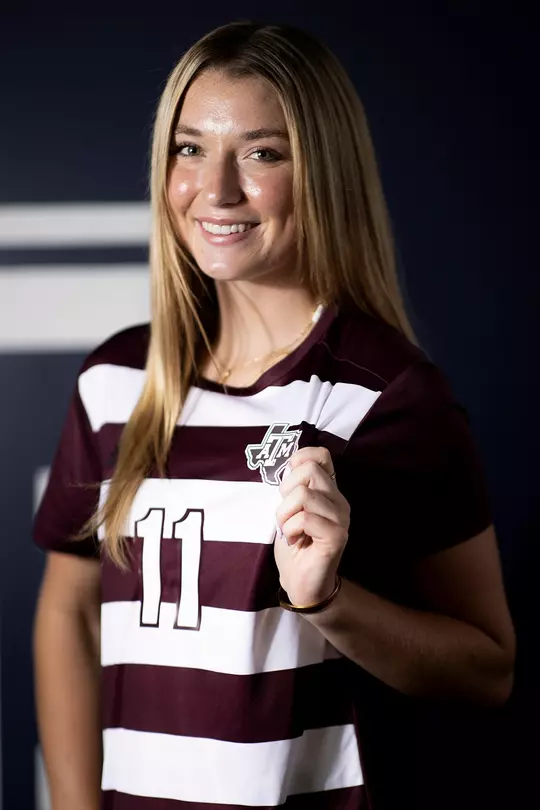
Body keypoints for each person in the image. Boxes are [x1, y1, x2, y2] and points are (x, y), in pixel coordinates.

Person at [32, 20, 515, 810]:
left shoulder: (385, 394)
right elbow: (67, 610)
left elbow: (488, 670)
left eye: (262, 153)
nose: (215, 190)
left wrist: (329, 602)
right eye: (190, 149)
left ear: (322, 170)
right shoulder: (116, 380)